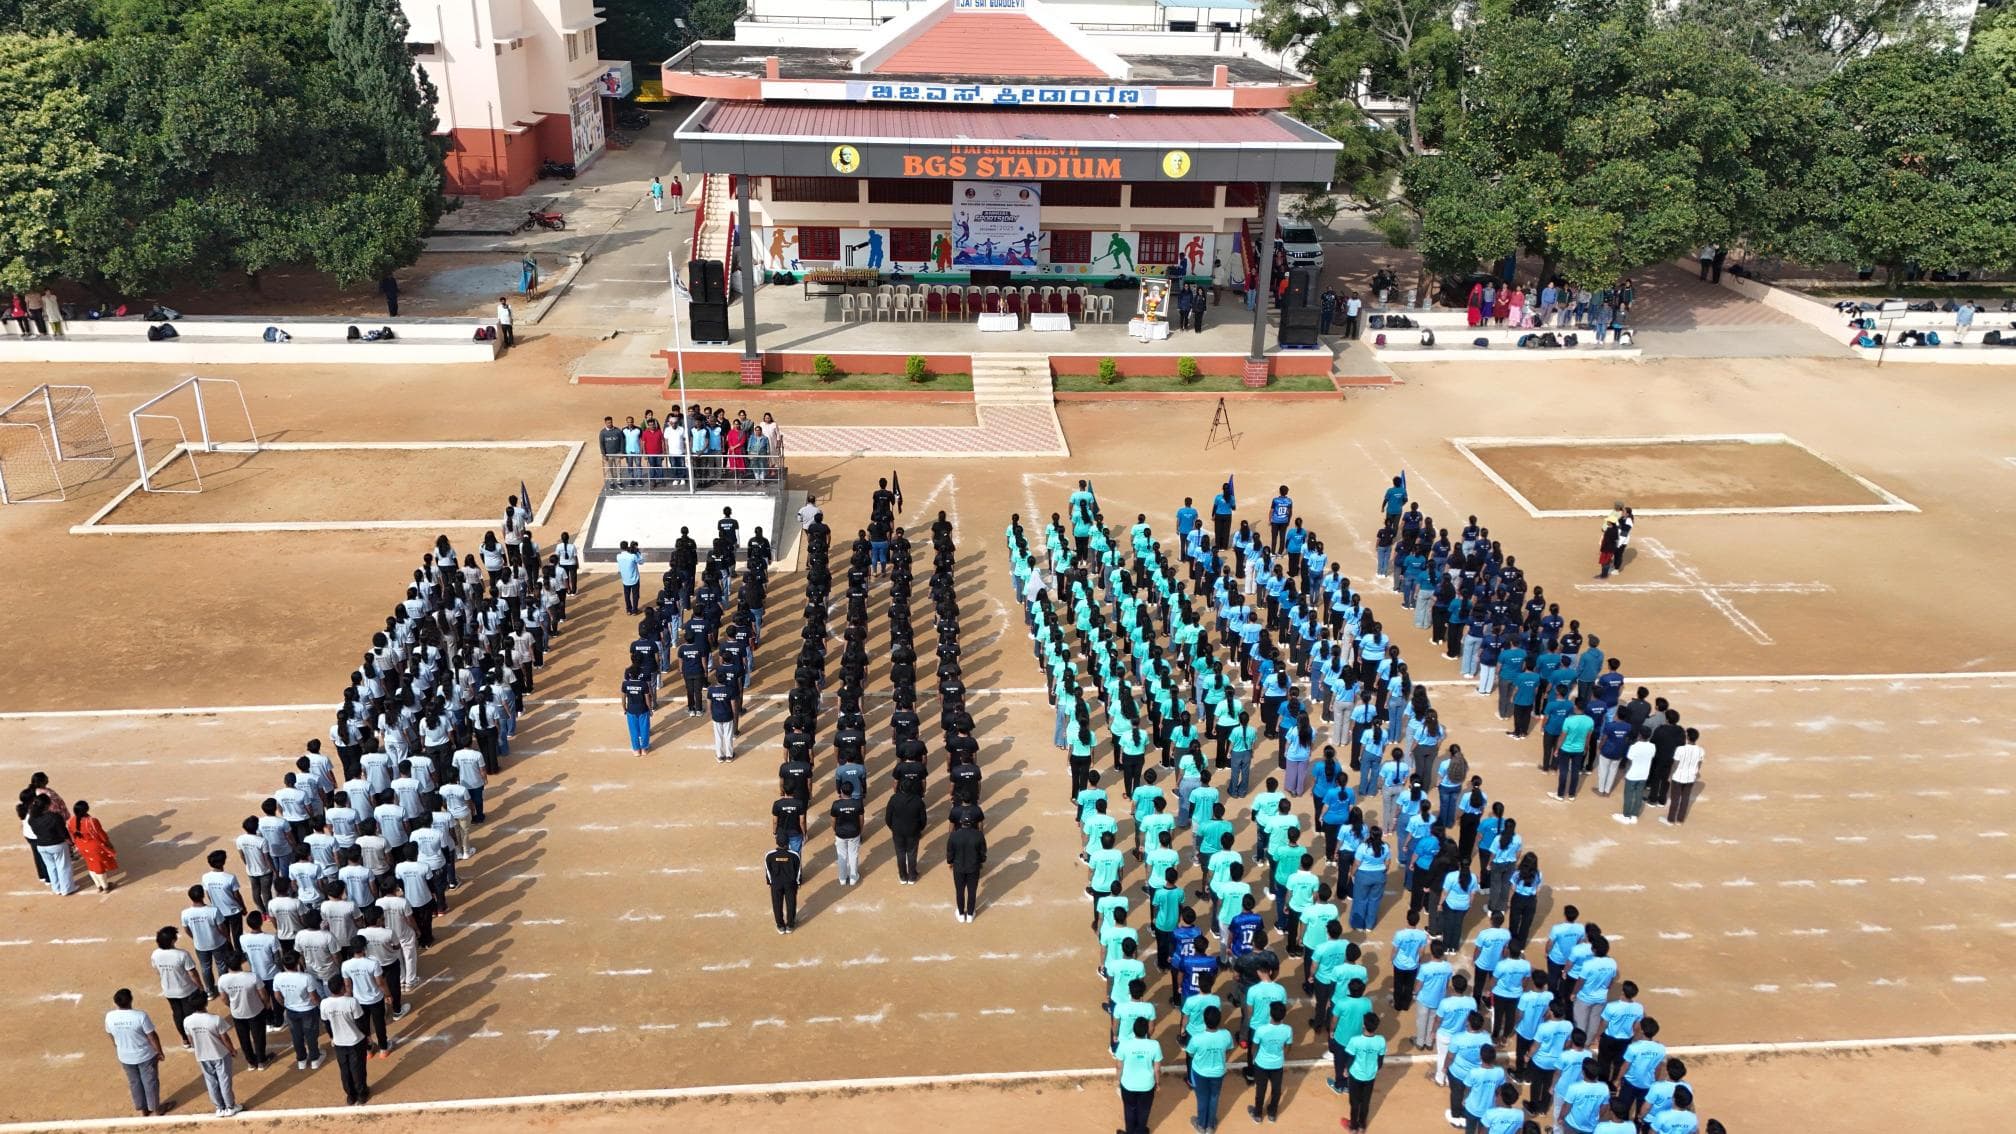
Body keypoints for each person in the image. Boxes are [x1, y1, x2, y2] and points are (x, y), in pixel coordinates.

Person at [104, 989, 166, 1117]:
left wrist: (116, 1045)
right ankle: (156, 1109)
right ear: (131, 1000)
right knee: (150, 1082)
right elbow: (152, 1036)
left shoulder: (109, 1016)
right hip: (145, 1056)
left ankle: (143, 1110)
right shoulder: (140, 1016)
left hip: (125, 1056)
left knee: (134, 1082)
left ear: (116, 1002)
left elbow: (110, 1034)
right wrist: (159, 1051)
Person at [185, 1004, 242, 1116]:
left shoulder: (187, 1021)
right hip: (219, 1054)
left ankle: (220, 1108)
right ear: (205, 1004)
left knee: (211, 1082)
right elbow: (224, 1038)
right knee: (224, 1080)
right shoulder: (215, 1019)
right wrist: (232, 1050)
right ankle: (230, 1106)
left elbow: (190, 1039)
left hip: (202, 1056)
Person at [322, 975, 370, 1106]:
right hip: (356, 1041)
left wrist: (332, 1037)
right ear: (343, 987)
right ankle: (361, 1094)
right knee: (358, 1069)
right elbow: (361, 1022)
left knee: (345, 1070)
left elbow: (326, 1023)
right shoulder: (351, 1002)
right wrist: (368, 1036)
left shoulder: (324, 1003)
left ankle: (350, 1096)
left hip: (339, 1042)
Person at [1114, 1015, 1162, 1134]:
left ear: (1133, 1030)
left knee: (1129, 1109)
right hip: (1147, 1085)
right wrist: (1157, 1082)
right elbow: (1157, 1069)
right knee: (1144, 1111)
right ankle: (1140, 1131)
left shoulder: (1124, 1045)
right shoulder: (1155, 1045)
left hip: (1128, 1084)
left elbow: (1119, 1066)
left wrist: (1118, 1081)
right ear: (1147, 1030)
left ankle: (1130, 1131)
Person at [1342, 1011, 1386, 1132]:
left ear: (1364, 1026)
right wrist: (1376, 1069)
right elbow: (1380, 1060)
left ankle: (1353, 1127)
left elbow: (1350, 1058)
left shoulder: (1355, 1040)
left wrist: (1346, 1070)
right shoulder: (1381, 1040)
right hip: (1370, 1076)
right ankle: (1362, 1126)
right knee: (1365, 1102)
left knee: (1354, 1102)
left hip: (1356, 1075)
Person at [67, 800, 118, 892]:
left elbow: (71, 834)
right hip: (94, 847)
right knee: (99, 866)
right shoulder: (92, 821)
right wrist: (109, 844)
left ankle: (99, 886)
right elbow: (101, 834)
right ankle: (105, 887)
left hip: (81, 846)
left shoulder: (71, 821)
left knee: (90, 865)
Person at [25, 795, 71, 894]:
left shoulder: (31, 819)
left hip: (41, 846)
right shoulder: (54, 817)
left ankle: (56, 888)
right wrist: (69, 840)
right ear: (47, 805)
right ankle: (66, 889)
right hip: (56, 845)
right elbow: (62, 832)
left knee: (51, 867)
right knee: (63, 866)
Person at [948, 813, 987, 922]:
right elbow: (983, 853)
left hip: (958, 868)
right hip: (973, 868)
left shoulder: (954, 836)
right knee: (972, 891)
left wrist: (950, 862)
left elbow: (950, 852)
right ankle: (970, 914)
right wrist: (981, 862)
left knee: (959, 891)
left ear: (961, 823)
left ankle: (961, 914)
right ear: (972, 823)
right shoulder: (979, 835)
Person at [1665, 729, 1704, 824]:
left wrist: (1670, 775)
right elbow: (1699, 765)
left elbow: (1675, 764)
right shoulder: (1701, 750)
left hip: (1678, 777)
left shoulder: (1680, 749)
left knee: (1675, 799)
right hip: (1690, 778)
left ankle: (1671, 819)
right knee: (1685, 798)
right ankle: (1680, 819)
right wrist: (1694, 774)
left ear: (1688, 737)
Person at [830, 780, 865, 886]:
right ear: (852, 791)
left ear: (841, 791)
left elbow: (833, 821)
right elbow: (861, 820)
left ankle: (842, 878)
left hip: (840, 833)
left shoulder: (836, 804)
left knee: (842, 856)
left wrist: (835, 830)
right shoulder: (858, 803)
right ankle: (853, 878)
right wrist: (860, 830)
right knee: (853, 854)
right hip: (854, 833)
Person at [764, 836, 801, 934]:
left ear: (777, 842)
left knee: (777, 904)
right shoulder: (794, 855)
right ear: (788, 842)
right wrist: (798, 882)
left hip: (776, 884)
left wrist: (770, 882)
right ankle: (790, 925)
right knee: (791, 903)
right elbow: (798, 871)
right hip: (790, 884)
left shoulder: (769, 855)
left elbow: (768, 870)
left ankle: (780, 926)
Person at [620, 663, 652, 758]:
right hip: (643, 709)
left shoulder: (625, 684)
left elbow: (623, 698)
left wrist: (624, 708)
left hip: (631, 710)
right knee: (644, 729)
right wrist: (650, 709)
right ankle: (644, 749)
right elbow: (647, 699)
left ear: (630, 674)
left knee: (633, 730)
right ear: (639, 674)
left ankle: (636, 750)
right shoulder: (643, 684)